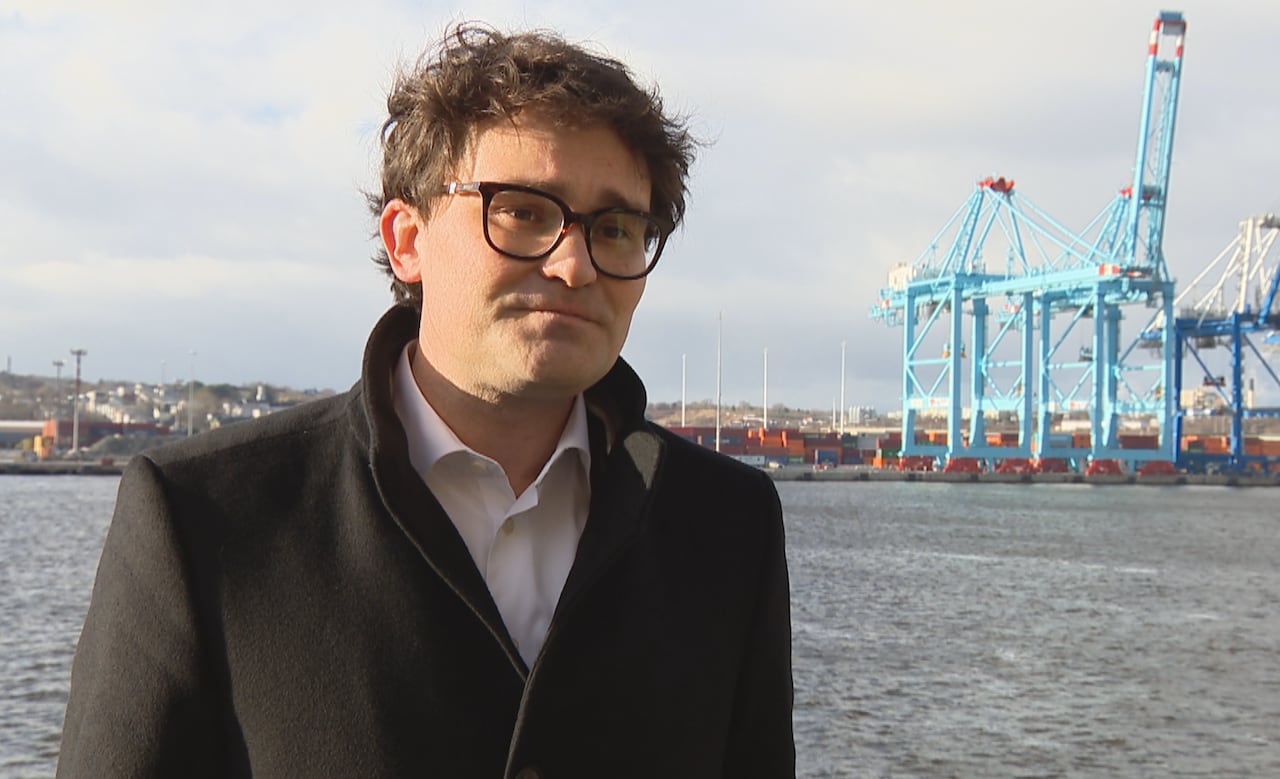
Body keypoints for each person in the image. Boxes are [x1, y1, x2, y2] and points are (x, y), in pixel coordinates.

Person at [58, 23, 794, 778]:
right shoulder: (204, 518)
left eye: (615, 228)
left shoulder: (727, 527)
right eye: (524, 211)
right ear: (407, 239)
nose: (576, 264)